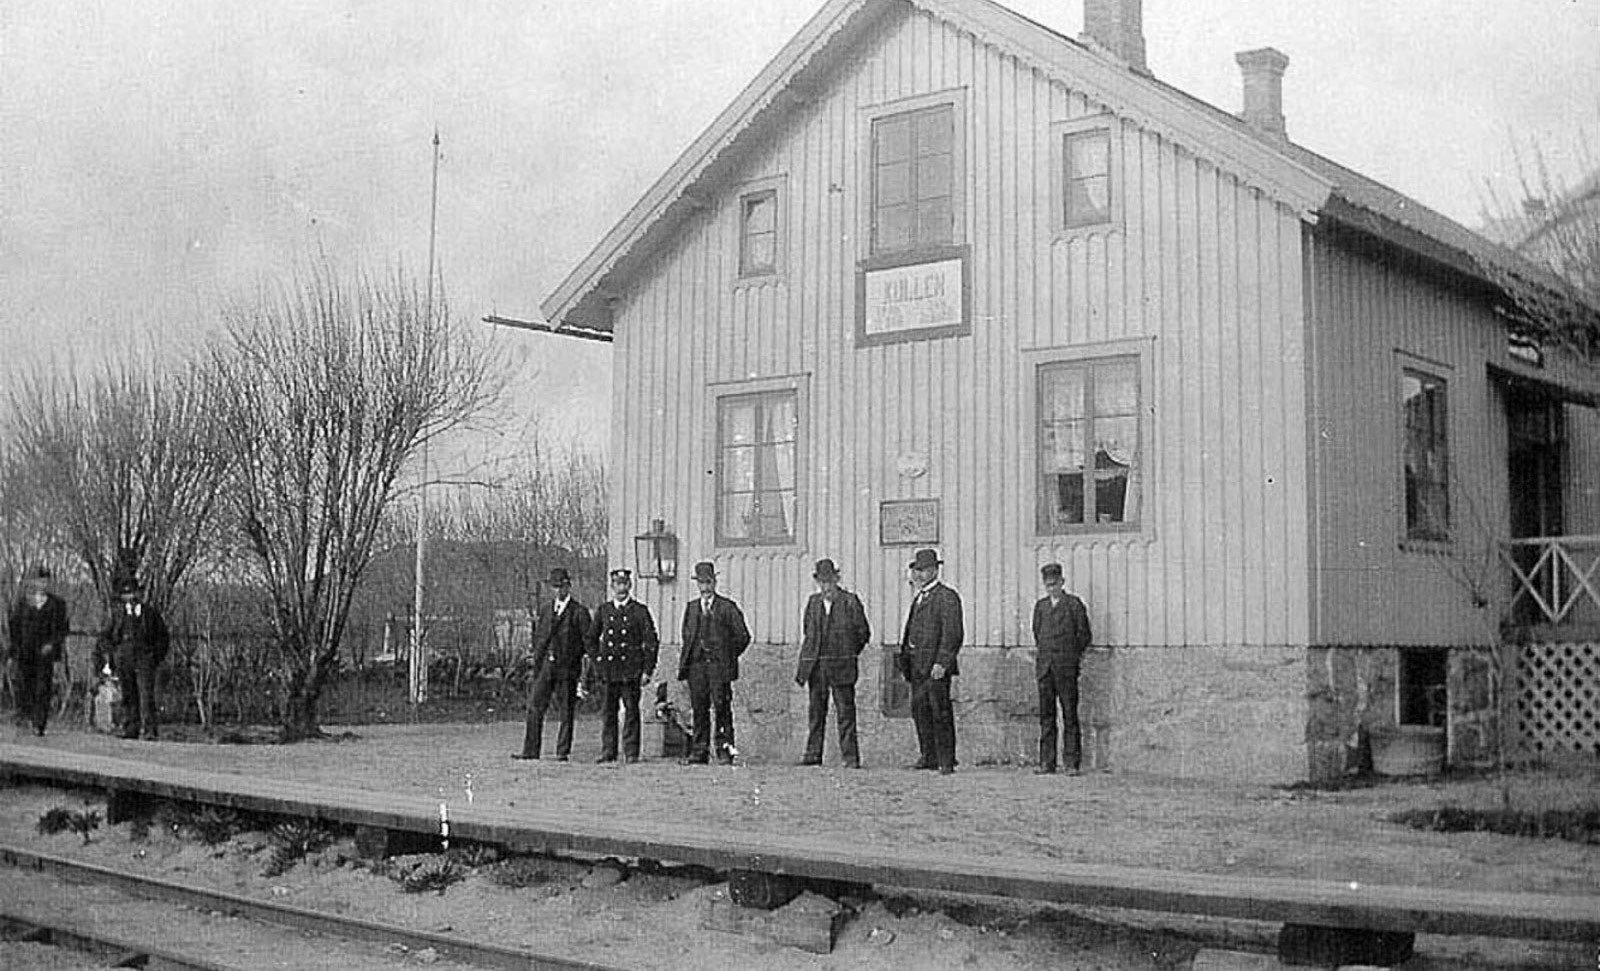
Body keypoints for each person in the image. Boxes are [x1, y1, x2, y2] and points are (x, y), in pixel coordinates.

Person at [794, 558, 870, 768]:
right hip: (817, 667)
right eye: (822, 582)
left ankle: (850, 758)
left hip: (842, 666)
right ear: (817, 582)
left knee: (845, 712)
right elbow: (808, 631)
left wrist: (846, 653)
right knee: (816, 713)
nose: (826, 586)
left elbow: (863, 633)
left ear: (837, 579)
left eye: (829, 581)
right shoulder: (813, 603)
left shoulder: (850, 602)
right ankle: (813, 755)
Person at [513, 567, 592, 762]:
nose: (558, 591)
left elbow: (588, 644)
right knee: (534, 706)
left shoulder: (579, 612)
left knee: (566, 710)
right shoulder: (546, 610)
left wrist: (584, 675)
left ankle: (562, 752)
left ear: (568, 586)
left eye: (561, 587)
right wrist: (537, 664)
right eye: (554, 587)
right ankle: (530, 750)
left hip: (567, 669)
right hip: (547, 667)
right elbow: (540, 639)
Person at [676, 561, 751, 765]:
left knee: (722, 708)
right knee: (699, 709)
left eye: (709, 582)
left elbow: (743, 636)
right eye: (701, 583)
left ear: (715, 582)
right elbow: (687, 635)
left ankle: (724, 750)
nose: (706, 587)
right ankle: (699, 751)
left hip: (719, 668)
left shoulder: (727, 607)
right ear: (697, 584)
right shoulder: (692, 608)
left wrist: (728, 657)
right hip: (697, 667)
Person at [897, 548, 963, 775]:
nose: (920, 575)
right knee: (920, 710)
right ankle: (929, 755)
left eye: (924, 570)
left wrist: (942, 663)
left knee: (940, 711)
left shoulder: (946, 597)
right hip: (917, 665)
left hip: (935, 667)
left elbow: (952, 633)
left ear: (935, 570)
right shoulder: (919, 598)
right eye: (917, 570)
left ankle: (946, 759)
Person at [589, 568, 658, 763]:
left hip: (631, 670)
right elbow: (591, 639)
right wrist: (598, 662)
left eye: (625, 584)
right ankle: (608, 751)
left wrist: (647, 670)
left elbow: (651, 641)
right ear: (612, 587)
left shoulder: (639, 611)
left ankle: (631, 752)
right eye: (617, 584)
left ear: (630, 586)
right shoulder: (604, 610)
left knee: (631, 711)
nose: (621, 588)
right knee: (608, 712)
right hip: (610, 670)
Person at [1032, 562, 1092, 775]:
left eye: (1055, 584)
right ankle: (1047, 762)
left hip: (1066, 668)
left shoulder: (1074, 605)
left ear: (1062, 582)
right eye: (1048, 585)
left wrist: (1071, 657)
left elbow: (1084, 635)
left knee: (1069, 714)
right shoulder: (1041, 607)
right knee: (1046, 716)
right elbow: (1037, 633)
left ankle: (1071, 763)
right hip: (1045, 668)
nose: (1051, 588)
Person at [95, 573, 170, 741]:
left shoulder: (150, 614)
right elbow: (104, 637)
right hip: (124, 657)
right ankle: (130, 727)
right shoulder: (117, 615)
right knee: (128, 694)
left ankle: (149, 729)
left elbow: (163, 638)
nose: (130, 598)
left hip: (144, 658)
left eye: (133, 593)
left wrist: (154, 657)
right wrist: (113, 655)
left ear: (139, 594)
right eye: (127, 594)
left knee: (146, 695)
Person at [7, 566, 71, 737]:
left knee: (43, 688)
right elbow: (15, 627)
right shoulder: (23, 603)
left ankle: (39, 723)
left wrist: (52, 644)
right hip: (26, 652)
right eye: (39, 580)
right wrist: (13, 652)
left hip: (45, 653)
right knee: (26, 685)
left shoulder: (57, 604)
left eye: (45, 581)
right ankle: (25, 715)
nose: (42, 584)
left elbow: (62, 629)